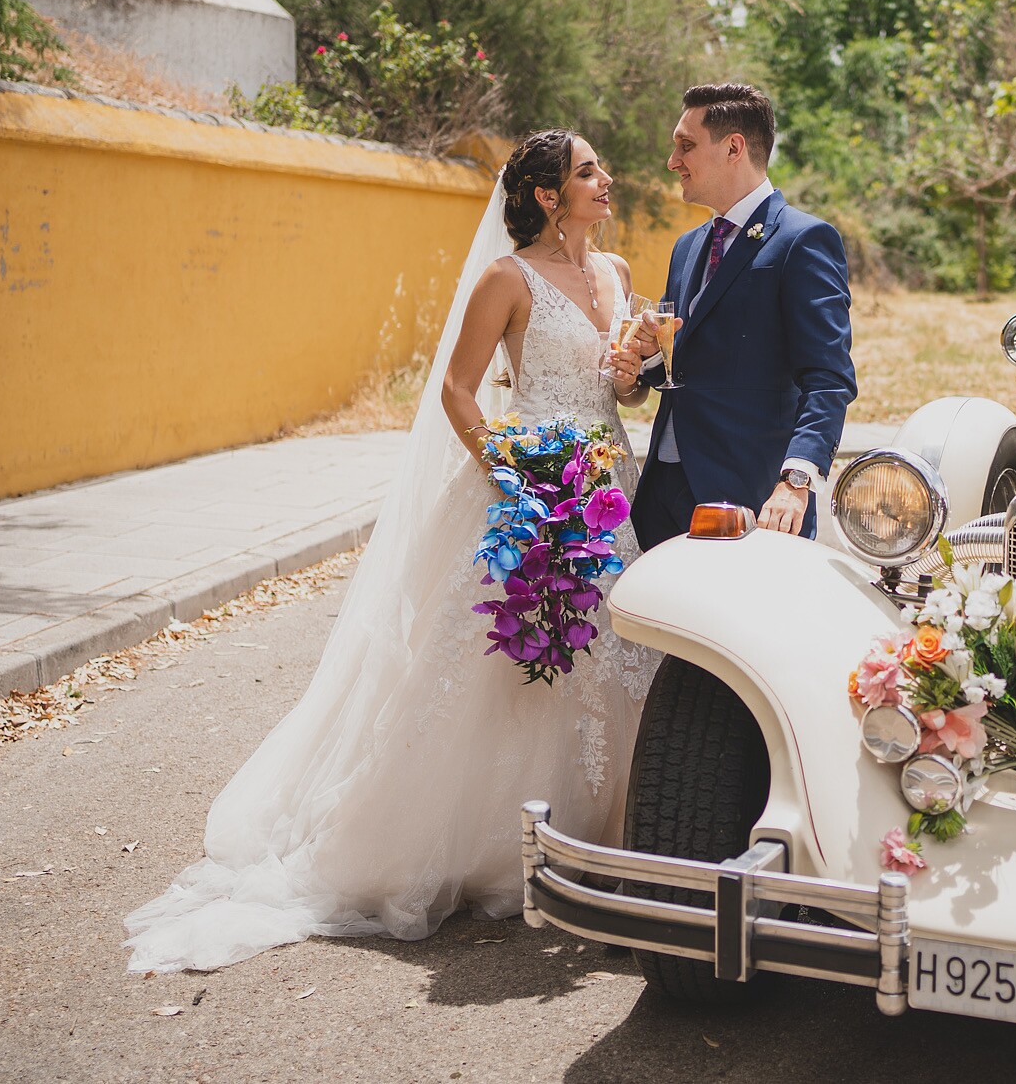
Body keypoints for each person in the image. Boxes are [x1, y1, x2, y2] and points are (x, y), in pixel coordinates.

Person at [123, 131, 660, 974]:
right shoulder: (506, 277)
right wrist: (516, 477)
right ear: (549, 196)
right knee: (513, 658)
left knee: (610, 650)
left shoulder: (619, 273)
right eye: (588, 171)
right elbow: (457, 388)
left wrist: (635, 369)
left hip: (605, 488)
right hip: (530, 490)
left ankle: (604, 830)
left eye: (600, 166)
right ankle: (485, 838)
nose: (606, 180)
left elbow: (619, 383)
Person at [609, 83, 856, 544]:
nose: (672, 161)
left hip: (751, 497)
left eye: (686, 146)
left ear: (734, 148)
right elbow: (684, 355)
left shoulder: (804, 241)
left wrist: (796, 481)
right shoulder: (687, 247)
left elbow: (829, 379)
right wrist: (645, 357)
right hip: (662, 491)